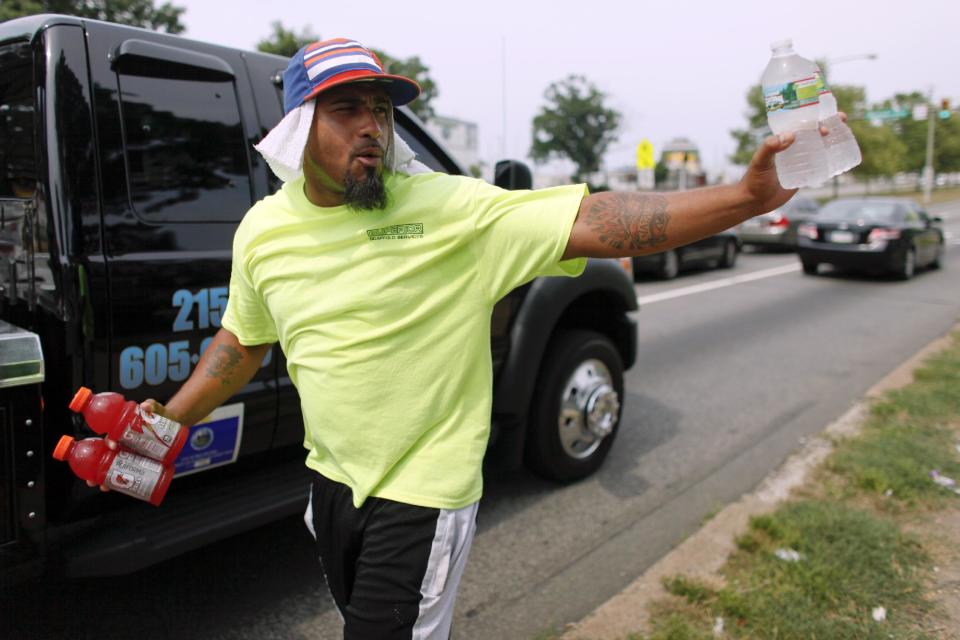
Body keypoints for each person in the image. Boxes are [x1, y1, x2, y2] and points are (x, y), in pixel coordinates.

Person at [90, 37, 826, 639]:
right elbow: (243, 342)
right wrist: (172, 419)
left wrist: (745, 199)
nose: (373, 126)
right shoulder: (265, 231)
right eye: (347, 109)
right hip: (333, 483)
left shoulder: (450, 209)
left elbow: (598, 220)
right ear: (296, 129)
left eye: (380, 110)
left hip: (424, 492)